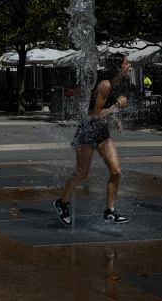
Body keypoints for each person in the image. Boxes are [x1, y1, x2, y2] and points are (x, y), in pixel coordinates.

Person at [54, 53, 131, 226]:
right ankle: (62, 203)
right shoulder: (105, 84)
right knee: (81, 174)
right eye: (127, 63)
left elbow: (104, 112)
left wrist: (115, 119)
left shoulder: (115, 83)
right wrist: (117, 106)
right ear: (119, 67)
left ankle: (109, 212)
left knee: (116, 171)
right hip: (88, 131)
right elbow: (95, 115)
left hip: (102, 132)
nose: (130, 65)